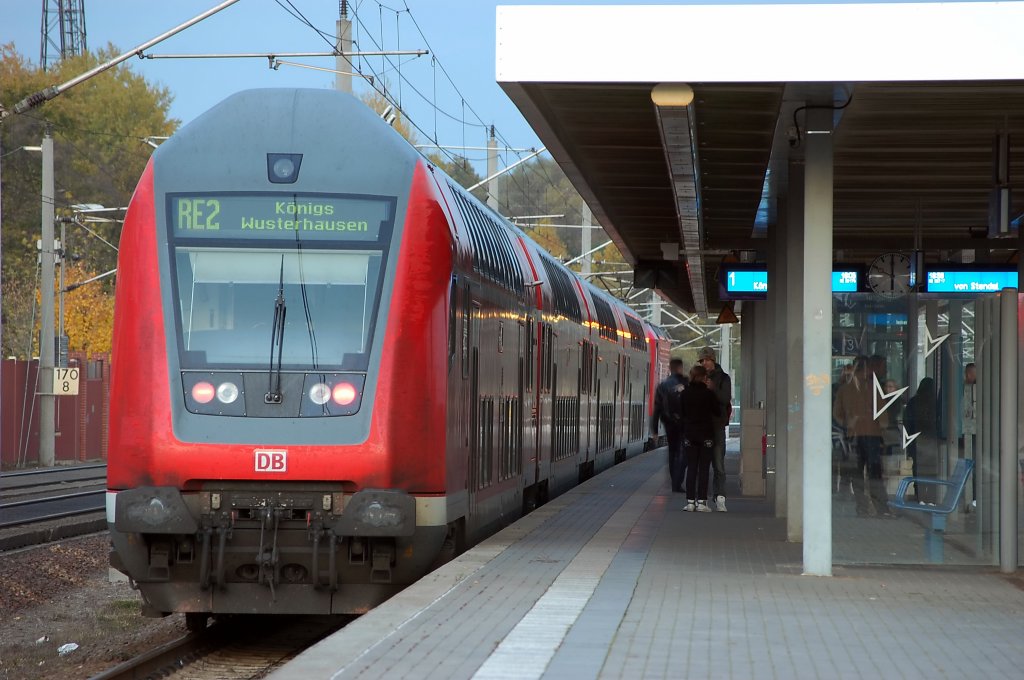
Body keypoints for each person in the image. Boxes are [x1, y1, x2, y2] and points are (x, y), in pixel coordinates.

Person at [832, 355, 890, 516]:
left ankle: (862, 508)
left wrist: (848, 423)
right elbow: (883, 417)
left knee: (856, 474)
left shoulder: (844, 389)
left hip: (853, 436)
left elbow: (837, 414)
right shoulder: (874, 388)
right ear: (867, 369)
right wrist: (882, 427)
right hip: (873, 435)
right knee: (874, 474)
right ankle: (881, 508)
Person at [681, 364, 722, 512]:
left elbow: (681, 413)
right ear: (704, 377)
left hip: (689, 434)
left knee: (691, 467)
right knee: (704, 468)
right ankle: (702, 502)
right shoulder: (708, 394)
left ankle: (690, 502)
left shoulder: (685, 393)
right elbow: (717, 412)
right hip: (706, 435)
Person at [698, 346, 732, 512]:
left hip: (717, 425)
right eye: (701, 361)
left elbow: (725, 398)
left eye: (706, 360)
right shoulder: (698, 377)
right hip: (702, 426)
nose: (703, 363)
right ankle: (700, 499)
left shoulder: (724, 378)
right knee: (702, 465)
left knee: (719, 464)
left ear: (712, 359)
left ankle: (720, 498)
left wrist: (713, 389)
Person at [651, 358, 688, 494]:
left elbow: (657, 409)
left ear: (670, 368)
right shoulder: (686, 383)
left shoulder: (662, 386)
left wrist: (655, 430)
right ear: (680, 368)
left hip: (669, 423)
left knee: (672, 452)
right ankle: (678, 481)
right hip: (685, 423)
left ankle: (674, 482)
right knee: (684, 452)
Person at [906, 377, 940, 503]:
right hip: (932, 441)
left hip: (916, 440)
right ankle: (931, 497)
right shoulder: (935, 403)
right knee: (931, 470)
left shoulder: (913, 402)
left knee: (918, 468)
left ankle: (919, 495)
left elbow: (907, 423)